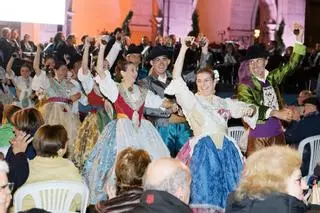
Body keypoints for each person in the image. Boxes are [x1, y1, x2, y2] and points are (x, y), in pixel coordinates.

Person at [164, 37, 258, 212]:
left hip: (227, 152)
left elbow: (246, 109)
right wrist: (184, 48)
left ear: (214, 82)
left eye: (206, 80)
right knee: (204, 195)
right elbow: (176, 76)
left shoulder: (224, 102)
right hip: (203, 152)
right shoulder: (192, 101)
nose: (202, 84)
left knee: (231, 196)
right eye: (199, 81)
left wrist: (250, 110)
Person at [83, 42, 170, 204]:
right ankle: (120, 199)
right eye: (131, 70)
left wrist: (174, 104)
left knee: (149, 165)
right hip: (122, 130)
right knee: (121, 164)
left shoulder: (143, 91)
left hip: (143, 130)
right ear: (122, 73)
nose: (135, 72)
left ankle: (145, 199)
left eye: (136, 69)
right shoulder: (115, 89)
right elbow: (101, 70)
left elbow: (160, 102)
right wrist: (102, 48)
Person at [237, 24, 306, 156]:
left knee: (279, 173)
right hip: (258, 138)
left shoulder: (272, 78)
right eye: (251, 62)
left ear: (266, 62)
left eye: (258, 61)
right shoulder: (245, 84)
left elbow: (292, 66)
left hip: (278, 134)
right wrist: (276, 112)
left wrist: (299, 38)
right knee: (259, 175)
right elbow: (251, 107)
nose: (255, 65)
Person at [73, 37, 117, 169]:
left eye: (106, 66)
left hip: (111, 118)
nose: (104, 67)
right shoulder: (90, 82)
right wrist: (86, 47)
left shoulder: (111, 84)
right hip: (96, 119)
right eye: (101, 65)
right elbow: (84, 68)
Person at [140, 45, 192, 157]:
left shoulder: (177, 78)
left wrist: (204, 51)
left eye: (164, 59)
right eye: (157, 60)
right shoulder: (144, 83)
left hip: (183, 128)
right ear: (151, 63)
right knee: (163, 164)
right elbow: (146, 109)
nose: (161, 63)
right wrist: (169, 112)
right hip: (161, 130)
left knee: (188, 162)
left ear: (168, 61)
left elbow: (198, 76)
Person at [17, 124, 82, 211]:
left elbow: (16, 199)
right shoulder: (70, 168)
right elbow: (81, 202)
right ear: (63, 147)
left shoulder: (25, 167)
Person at [226, 146, 308, 213]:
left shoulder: (238, 205)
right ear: (276, 186)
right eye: (298, 180)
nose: (306, 186)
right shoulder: (287, 208)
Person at [32, 44, 81, 155]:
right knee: (51, 135)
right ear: (55, 70)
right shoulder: (48, 81)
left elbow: (78, 95)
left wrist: (73, 98)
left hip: (66, 112)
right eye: (62, 69)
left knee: (66, 136)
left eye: (65, 70)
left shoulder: (69, 84)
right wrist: (39, 50)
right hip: (51, 111)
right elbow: (36, 67)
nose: (64, 72)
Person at [94, 148, 151, 212]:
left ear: (118, 173)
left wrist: (112, 205)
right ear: (147, 173)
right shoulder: (154, 202)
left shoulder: (102, 208)